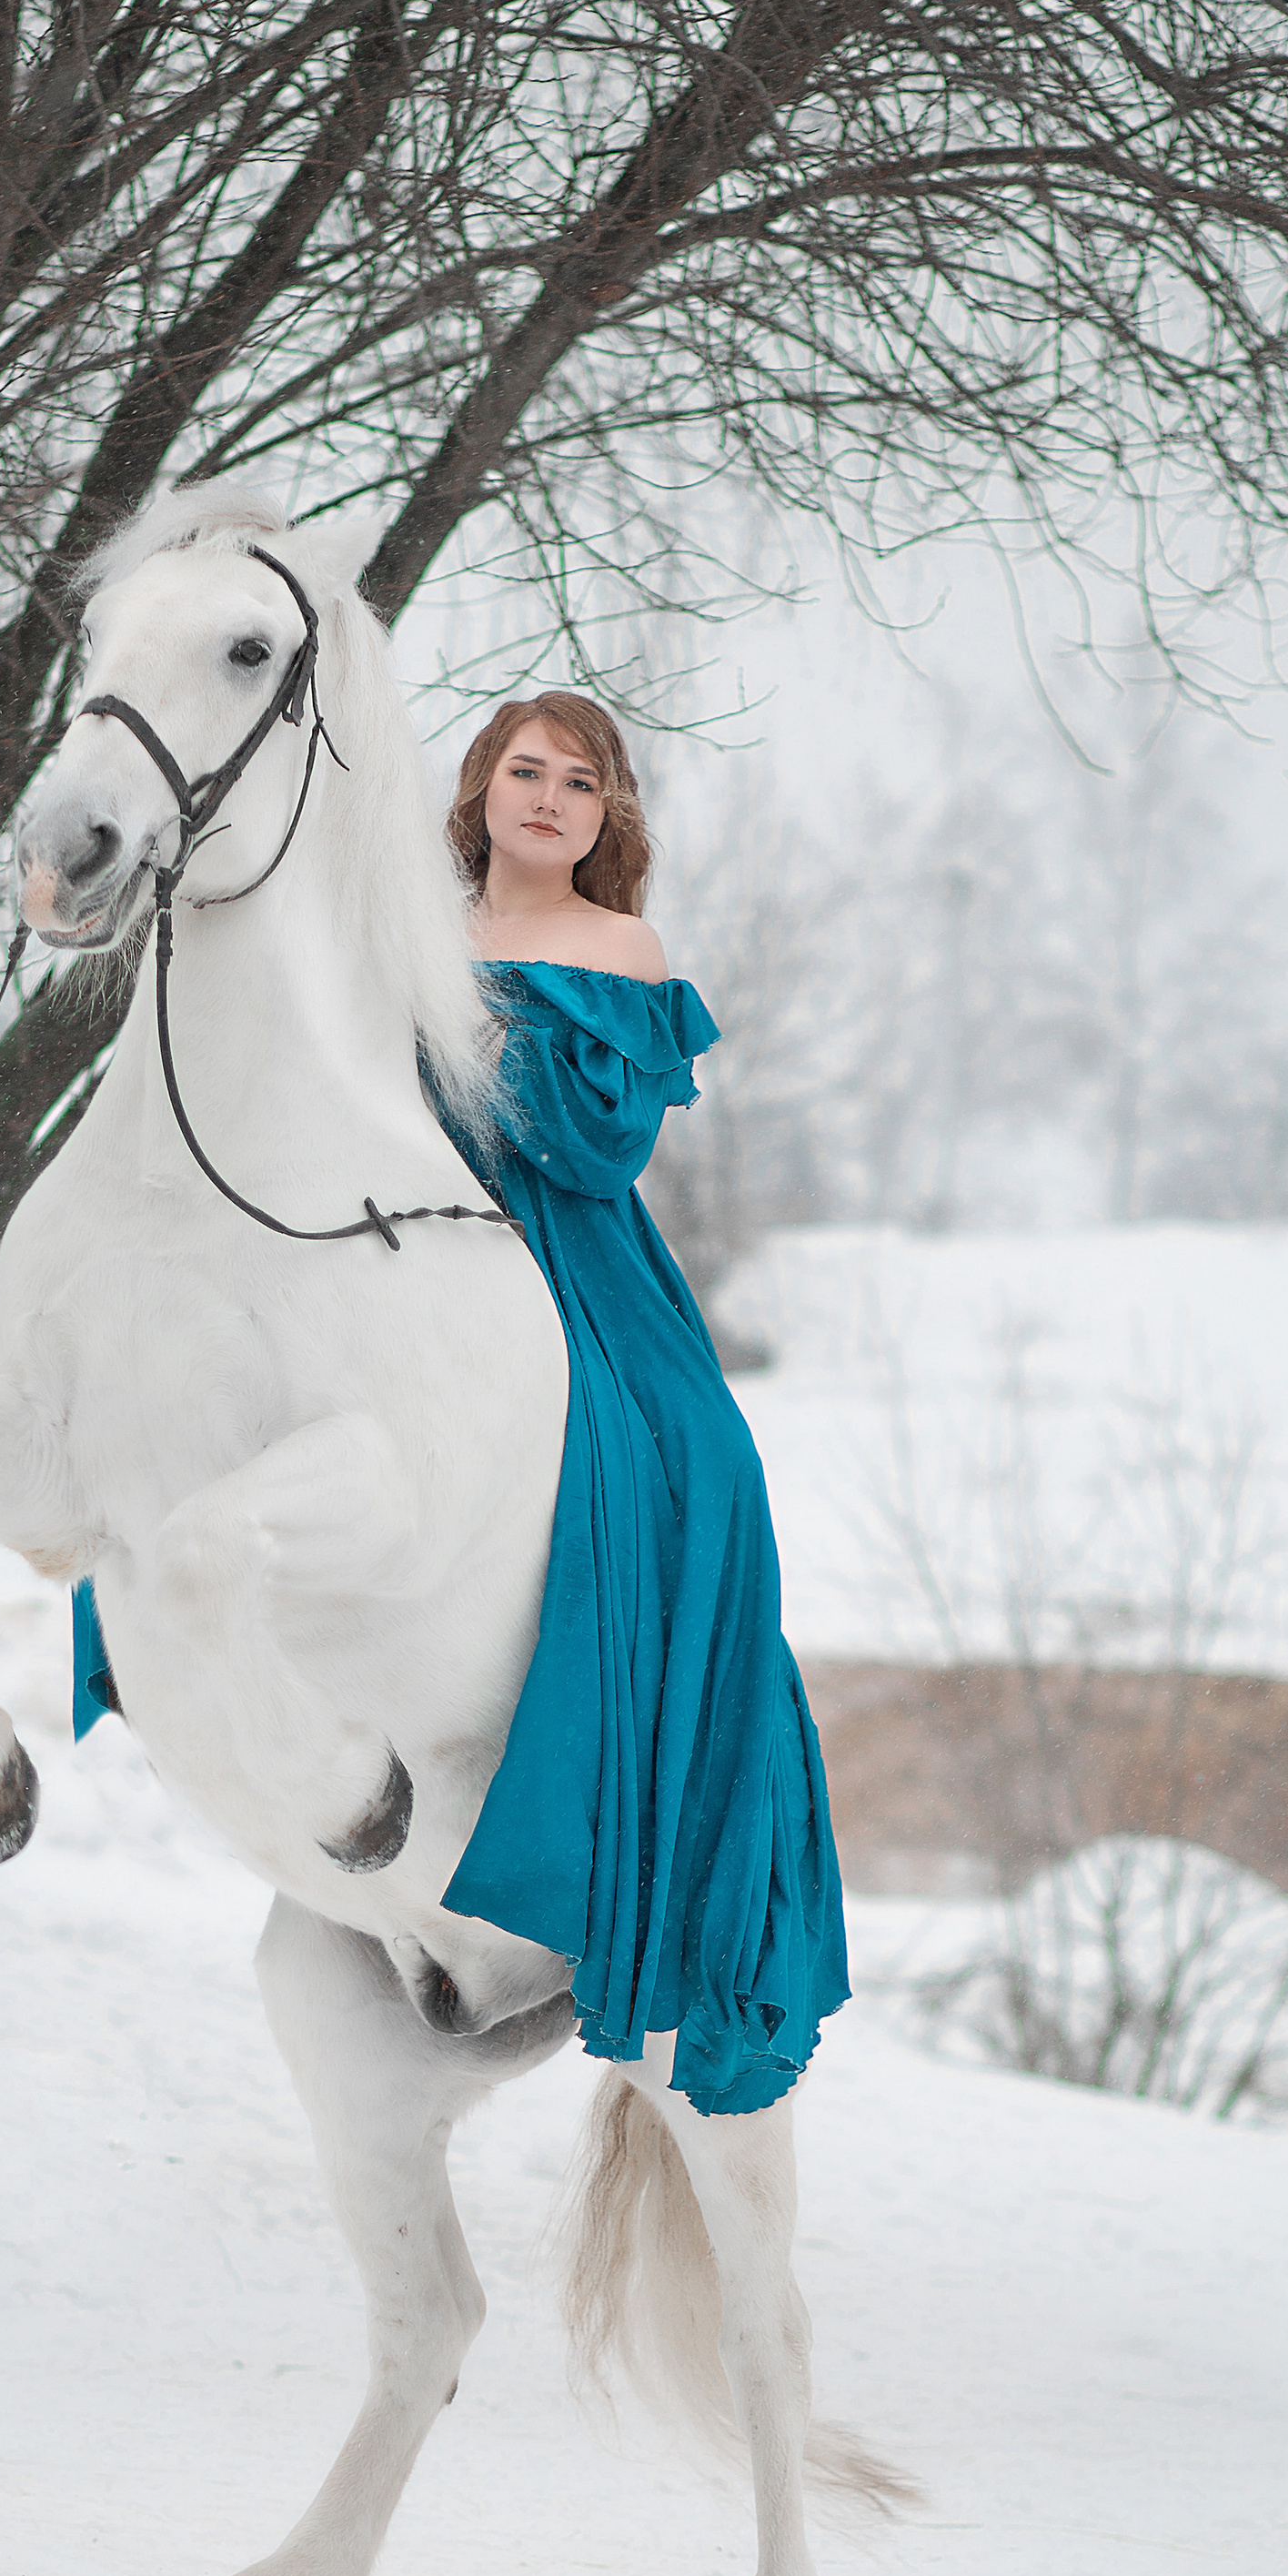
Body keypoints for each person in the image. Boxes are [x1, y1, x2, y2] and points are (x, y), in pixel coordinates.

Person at [434, 692, 850, 2116]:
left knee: (696, 1474)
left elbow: (594, 1145)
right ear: (481, 785)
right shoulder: (403, 929)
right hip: (403, 1239)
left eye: (581, 784)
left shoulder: (617, 948)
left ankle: (666, 1862)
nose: (548, 798)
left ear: (609, 820)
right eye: (525, 769)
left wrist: (468, 1035)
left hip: (581, 1274)